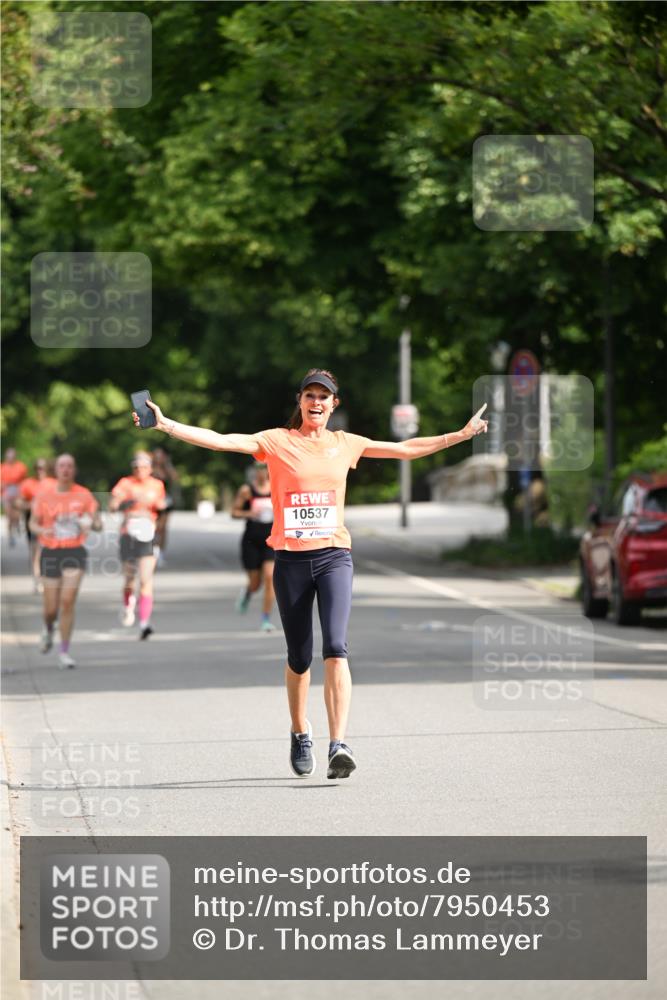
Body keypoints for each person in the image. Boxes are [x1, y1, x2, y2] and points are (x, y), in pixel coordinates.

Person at [132, 368, 488, 779]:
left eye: (324, 396)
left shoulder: (347, 444)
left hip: (335, 555)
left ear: (334, 404)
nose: (316, 402)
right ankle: (300, 731)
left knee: (336, 646)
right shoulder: (276, 441)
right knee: (299, 658)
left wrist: (460, 435)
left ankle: (339, 743)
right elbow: (223, 441)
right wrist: (166, 424)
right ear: (299, 402)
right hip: (291, 561)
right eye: (310, 395)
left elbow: (405, 449)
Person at [29, 454, 101, 669]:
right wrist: (43, 529)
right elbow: (32, 524)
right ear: (56, 470)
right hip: (51, 552)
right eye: (62, 466)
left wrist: (90, 523)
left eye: (70, 466)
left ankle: (64, 652)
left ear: (74, 470)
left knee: (67, 601)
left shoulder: (84, 494)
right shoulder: (44, 495)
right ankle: (48, 628)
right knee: (51, 609)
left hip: (75, 551)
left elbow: (97, 523)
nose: (66, 469)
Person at [109, 451, 166, 640]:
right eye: (136, 467)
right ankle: (127, 605)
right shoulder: (126, 483)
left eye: (143, 467)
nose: (139, 470)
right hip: (128, 535)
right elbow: (112, 504)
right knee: (129, 580)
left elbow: (162, 504)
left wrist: (158, 506)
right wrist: (123, 503)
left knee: (146, 580)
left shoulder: (157, 485)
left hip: (147, 534)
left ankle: (144, 624)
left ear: (150, 468)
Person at [231, 462, 276, 632]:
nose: (262, 473)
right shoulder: (247, 490)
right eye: (258, 470)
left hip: (271, 539)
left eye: (265, 469)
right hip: (251, 541)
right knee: (256, 583)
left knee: (270, 577)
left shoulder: (277, 487)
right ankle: (248, 592)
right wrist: (248, 513)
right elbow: (234, 512)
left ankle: (265, 619)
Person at [19, 458, 57, 591]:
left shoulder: (54, 483)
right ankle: (37, 580)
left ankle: (47, 576)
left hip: (51, 522)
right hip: (33, 520)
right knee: (36, 552)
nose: (41, 471)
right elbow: (19, 502)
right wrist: (32, 505)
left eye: (44, 468)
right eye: (39, 468)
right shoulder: (28, 484)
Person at [150, 445, 179, 566]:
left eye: (160, 455)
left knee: (162, 528)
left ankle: (160, 553)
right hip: (151, 500)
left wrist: (167, 464)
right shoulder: (149, 468)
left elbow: (174, 477)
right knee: (151, 527)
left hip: (165, 500)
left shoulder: (167, 468)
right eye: (155, 454)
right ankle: (150, 550)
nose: (157, 457)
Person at [1, 447, 28, 546]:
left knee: (16, 514)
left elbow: (24, 481)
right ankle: (10, 536)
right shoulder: (2, 467)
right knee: (9, 515)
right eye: (9, 456)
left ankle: (16, 524)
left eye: (12, 456)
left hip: (17, 491)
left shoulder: (21, 466)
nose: (10, 458)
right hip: (6, 492)